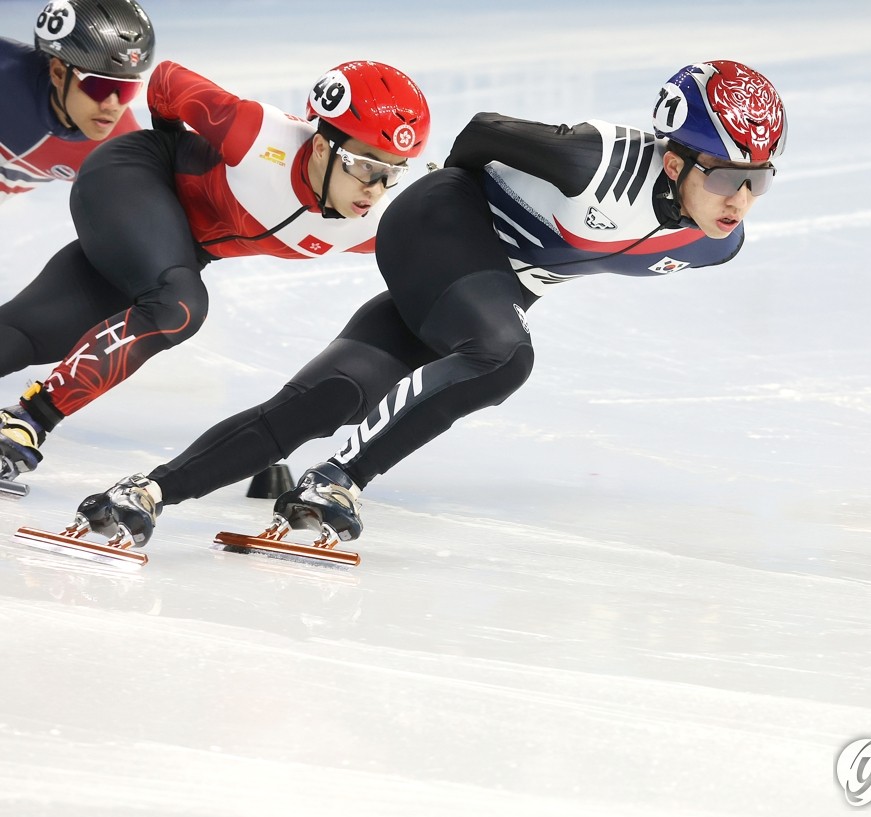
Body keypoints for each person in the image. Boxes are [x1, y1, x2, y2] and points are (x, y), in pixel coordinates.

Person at [71, 59, 787, 550]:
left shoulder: (717, 242)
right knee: (503, 356)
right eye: (728, 176)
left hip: (483, 288)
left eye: (760, 180)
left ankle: (147, 492)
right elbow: (478, 133)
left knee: (332, 398)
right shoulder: (592, 161)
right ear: (673, 161)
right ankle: (337, 479)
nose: (742, 200)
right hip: (440, 224)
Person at [0, 57, 431, 485]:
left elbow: (441, 247)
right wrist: (174, 150)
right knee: (178, 306)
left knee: (28, 335)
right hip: (132, 177)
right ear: (321, 147)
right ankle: (30, 419)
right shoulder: (257, 134)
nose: (373, 190)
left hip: (173, 253)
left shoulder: (372, 222)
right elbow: (167, 80)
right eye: (365, 167)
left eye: (392, 173)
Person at [1, 0, 153, 206]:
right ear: (59, 73)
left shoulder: (121, 148)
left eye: (127, 89)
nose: (112, 105)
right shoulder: (7, 73)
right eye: (98, 86)